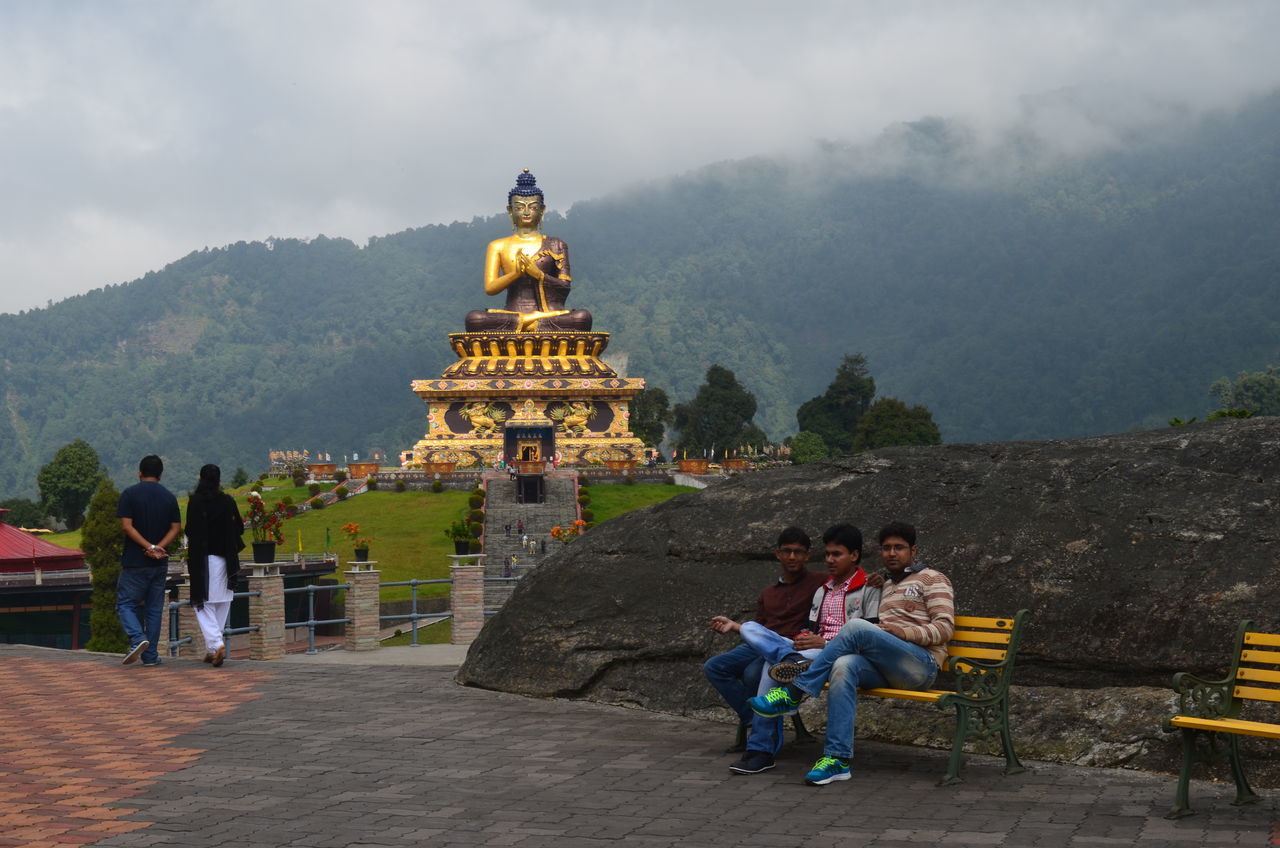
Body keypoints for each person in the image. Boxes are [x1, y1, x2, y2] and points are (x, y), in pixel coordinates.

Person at [750, 521, 955, 786]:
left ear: (913, 550)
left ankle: (793, 693)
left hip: (920, 665)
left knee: (857, 627)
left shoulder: (933, 578)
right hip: (886, 667)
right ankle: (837, 759)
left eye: (899, 548)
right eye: (886, 548)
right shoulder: (885, 583)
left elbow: (945, 627)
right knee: (844, 664)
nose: (892, 553)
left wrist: (903, 633)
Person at [726, 523, 882, 774]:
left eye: (837, 554)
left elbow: (870, 638)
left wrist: (824, 643)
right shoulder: (823, 591)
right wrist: (805, 638)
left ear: (854, 556)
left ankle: (761, 750)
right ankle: (792, 659)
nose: (830, 560)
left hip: (838, 653)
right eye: (828, 554)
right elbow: (811, 628)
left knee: (772, 666)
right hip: (808, 652)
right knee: (749, 628)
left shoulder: (869, 588)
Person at [704, 527, 826, 758]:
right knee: (714, 666)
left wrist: (874, 579)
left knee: (752, 674)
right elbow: (758, 628)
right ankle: (753, 716)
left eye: (798, 552)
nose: (792, 557)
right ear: (777, 554)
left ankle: (764, 731)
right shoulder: (769, 592)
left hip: (789, 647)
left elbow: (849, 577)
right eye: (787, 551)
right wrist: (731, 626)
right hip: (760, 645)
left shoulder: (819, 582)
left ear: (807, 555)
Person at [464, 169, 592, 333]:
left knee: (582, 318)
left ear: (542, 210)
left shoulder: (556, 245)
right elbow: (490, 288)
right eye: (519, 207)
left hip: (549, 314)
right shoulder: (497, 246)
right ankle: (528, 321)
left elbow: (564, 287)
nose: (526, 212)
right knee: (475, 319)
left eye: (532, 207)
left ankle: (527, 322)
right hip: (512, 313)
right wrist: (515, 274)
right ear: (510, 211)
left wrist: (538, 275)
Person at [116, 455, 182, 666]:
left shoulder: (129, 494)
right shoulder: (169, 497)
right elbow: (176, 528)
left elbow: (127, 526)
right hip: (159, 563)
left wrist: (148, 547)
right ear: (161, 475)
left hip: (135, 561)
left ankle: (137, 638)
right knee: (154, 609)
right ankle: (151, 656)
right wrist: (159, 547)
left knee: (126, 604)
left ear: (139, 472)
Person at [184, 464, 245, 667]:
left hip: (204, 559)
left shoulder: (195, 501)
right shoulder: (227, 501)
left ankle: (216, 644)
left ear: (201, 478)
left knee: (201, 603)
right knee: (222, 601)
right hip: (227, 559)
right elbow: (240, 528)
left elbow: (190, 530)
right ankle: (212, 649)